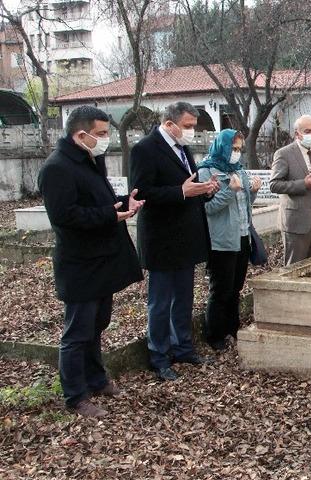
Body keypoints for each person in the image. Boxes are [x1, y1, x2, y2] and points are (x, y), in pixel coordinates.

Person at [38, 106, 145, 417]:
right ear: (80, 134)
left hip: (103, 259)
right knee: (77, 332)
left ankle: (97, 379)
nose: (105, 139)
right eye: (100, 134)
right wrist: (110, 214)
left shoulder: (90, 160)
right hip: (80, 263)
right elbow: (64, 216)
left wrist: (125, 204)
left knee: (98, 324)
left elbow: (99, 202)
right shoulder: (57, 167)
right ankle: (76, 395)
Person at [129, 101, 219, 381]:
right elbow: (143, 193)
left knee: (184, 297)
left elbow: (188, 186)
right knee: (161, 301)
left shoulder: (182, 148)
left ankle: (182, 347)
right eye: (188, 126)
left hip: (187, 236)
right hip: (162, 237)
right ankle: (159, 355)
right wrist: (181, 191)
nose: (192, 131)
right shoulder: (145, 149)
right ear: (170, 124)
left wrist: (205, 190)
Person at [197, 130, 262, 351]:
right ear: (222, 146)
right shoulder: (206, 171)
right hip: (221, 240)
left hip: (242, 236)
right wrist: (230, 192)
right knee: (220, 289)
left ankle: (233, 328)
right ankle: (215, 335)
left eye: (238, 149)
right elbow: (208, 208)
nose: (236, 153)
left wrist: (252, 191)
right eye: (233, 148)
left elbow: (245, 205)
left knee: (236, 287)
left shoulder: (238, 170)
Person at [269, 115, 311, 265]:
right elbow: (274, 184)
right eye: (308, 131)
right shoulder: (284, 154)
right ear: (297, 134)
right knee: (295, 266)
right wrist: (303, 184)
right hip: (296, 221)